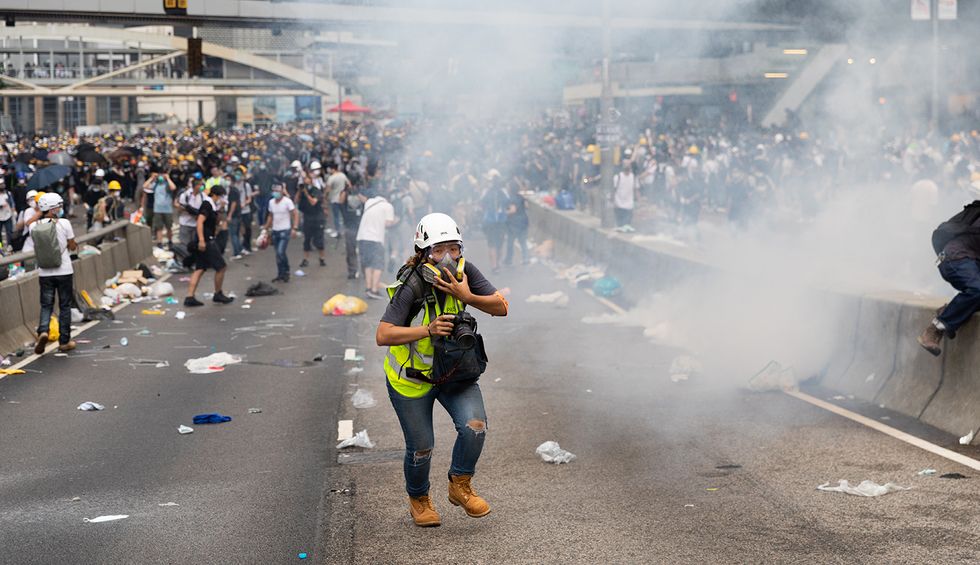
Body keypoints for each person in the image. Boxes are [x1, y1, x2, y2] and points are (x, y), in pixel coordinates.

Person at [375, 212, 509, 528]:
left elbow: (501, 307)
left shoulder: (464, 272)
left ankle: (460, 485)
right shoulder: (413, 282)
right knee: (421, 448)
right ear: (424, 252)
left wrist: (467, 296)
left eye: (453, 248)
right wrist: (428, 330)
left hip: (453, 372)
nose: (447, 258)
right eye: (438, 250)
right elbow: (383, 335)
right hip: (412, 379)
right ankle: (419, 499)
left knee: (475, 425)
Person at [919, 201, 980, 355]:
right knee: (977, 289)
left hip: (968, 260)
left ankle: (949, 310)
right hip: (956, 258)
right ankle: (935, 329)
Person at [23, 193, 77, 353]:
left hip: (44, 272)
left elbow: (29, 225)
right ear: (53, 209)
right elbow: (72, 246)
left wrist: (39, 213)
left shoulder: (34, 227)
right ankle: (64, 341)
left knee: (46, 305)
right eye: (58, 206)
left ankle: (44, 331)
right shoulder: (64, 223)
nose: (61, 209)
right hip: (64, 270)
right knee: (64, 305)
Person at [184, 184, 234, 307]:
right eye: (221, 196)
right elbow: (200, 222)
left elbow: (215, 223)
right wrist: (201, 240)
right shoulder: (207, 204)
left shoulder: (212, 205)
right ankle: (218, 293)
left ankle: (190, 296)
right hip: (206, 241)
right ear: (216, 195)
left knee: (200, 268)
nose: (222, 199)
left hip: (207, 240)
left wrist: (220, 209)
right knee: (221, 267)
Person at [356, 186, 396, 299]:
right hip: (376, 238)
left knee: (368, 263)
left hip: (362, 237)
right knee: (378, 264)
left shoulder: (369, 202)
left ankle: (369, 288)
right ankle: (374, 290)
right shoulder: (388, 206)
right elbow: (388, 223)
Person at [264, 182, 299, 283]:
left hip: (285, 230)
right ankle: (280, 274)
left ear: (282, 191)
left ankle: (286, 271)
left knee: (280, 252)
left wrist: (294, 228)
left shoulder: (287, 202)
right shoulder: (271, 203)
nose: (276, 193)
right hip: (275, 231)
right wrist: (266, 228)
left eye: (278, 191)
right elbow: (270, 216)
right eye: (274, 191)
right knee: (277, 254)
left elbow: (295, 214)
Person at [297, 167, 327, 268]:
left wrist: (306, 192)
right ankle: (305, 259)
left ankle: (322, 258)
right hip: (307, 218)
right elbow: (296, 201)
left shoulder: (315, 190)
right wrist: (300, 191)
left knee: (319, 239)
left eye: (307, 179)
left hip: (317, 218)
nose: (305, 181)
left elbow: (313, 202)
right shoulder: (302, 191)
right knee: (307, 240)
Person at [146, 169, 177, 245]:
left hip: (168, 210)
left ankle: (170, 241)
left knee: (169, 227)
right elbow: (145, 186)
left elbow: (173, 187)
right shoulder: (155, 184)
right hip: (157, 209)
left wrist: (168, 178)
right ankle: (159, 242)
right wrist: (152, 178)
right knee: (159, 227)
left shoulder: (167, 184)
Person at [177, 175, 205, 248]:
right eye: (200, 185)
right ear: (195, 186)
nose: (201, 186)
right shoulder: (185, 195)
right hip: (185, 223)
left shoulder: (203, 196)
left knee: (195, 246)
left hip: (196, 224)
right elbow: (179, 208)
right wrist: (188, 209)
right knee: (184, 245)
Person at [613, 160, 639, 232]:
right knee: (620, 225)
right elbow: (614, 190)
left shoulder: (633, 177)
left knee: (627, 225)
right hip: (619, 204)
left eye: (628, 164)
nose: (627, 166)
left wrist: (639, 200)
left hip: (629, 205)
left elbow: (636, 189)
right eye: (625, 164)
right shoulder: (617, 177)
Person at [327, 162, 351, 238]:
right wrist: (344, 191)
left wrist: (325, 197)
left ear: (333, 169)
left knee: (336, 216)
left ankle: (338, 232)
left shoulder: (331, 178)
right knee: (344, 215)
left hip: (334, 199)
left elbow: (328, 189)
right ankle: (346, 229)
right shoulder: (343, 175)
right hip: (342, 199)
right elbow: (349, 185)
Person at [0, 179, 13, 247]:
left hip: (8, 215)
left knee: (9, 232)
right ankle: (0, 247)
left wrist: (13, 209)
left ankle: (10, 245)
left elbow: (11, 202)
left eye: (3, 184)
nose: (2, 186)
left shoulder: (8, 193)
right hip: (0, 217)